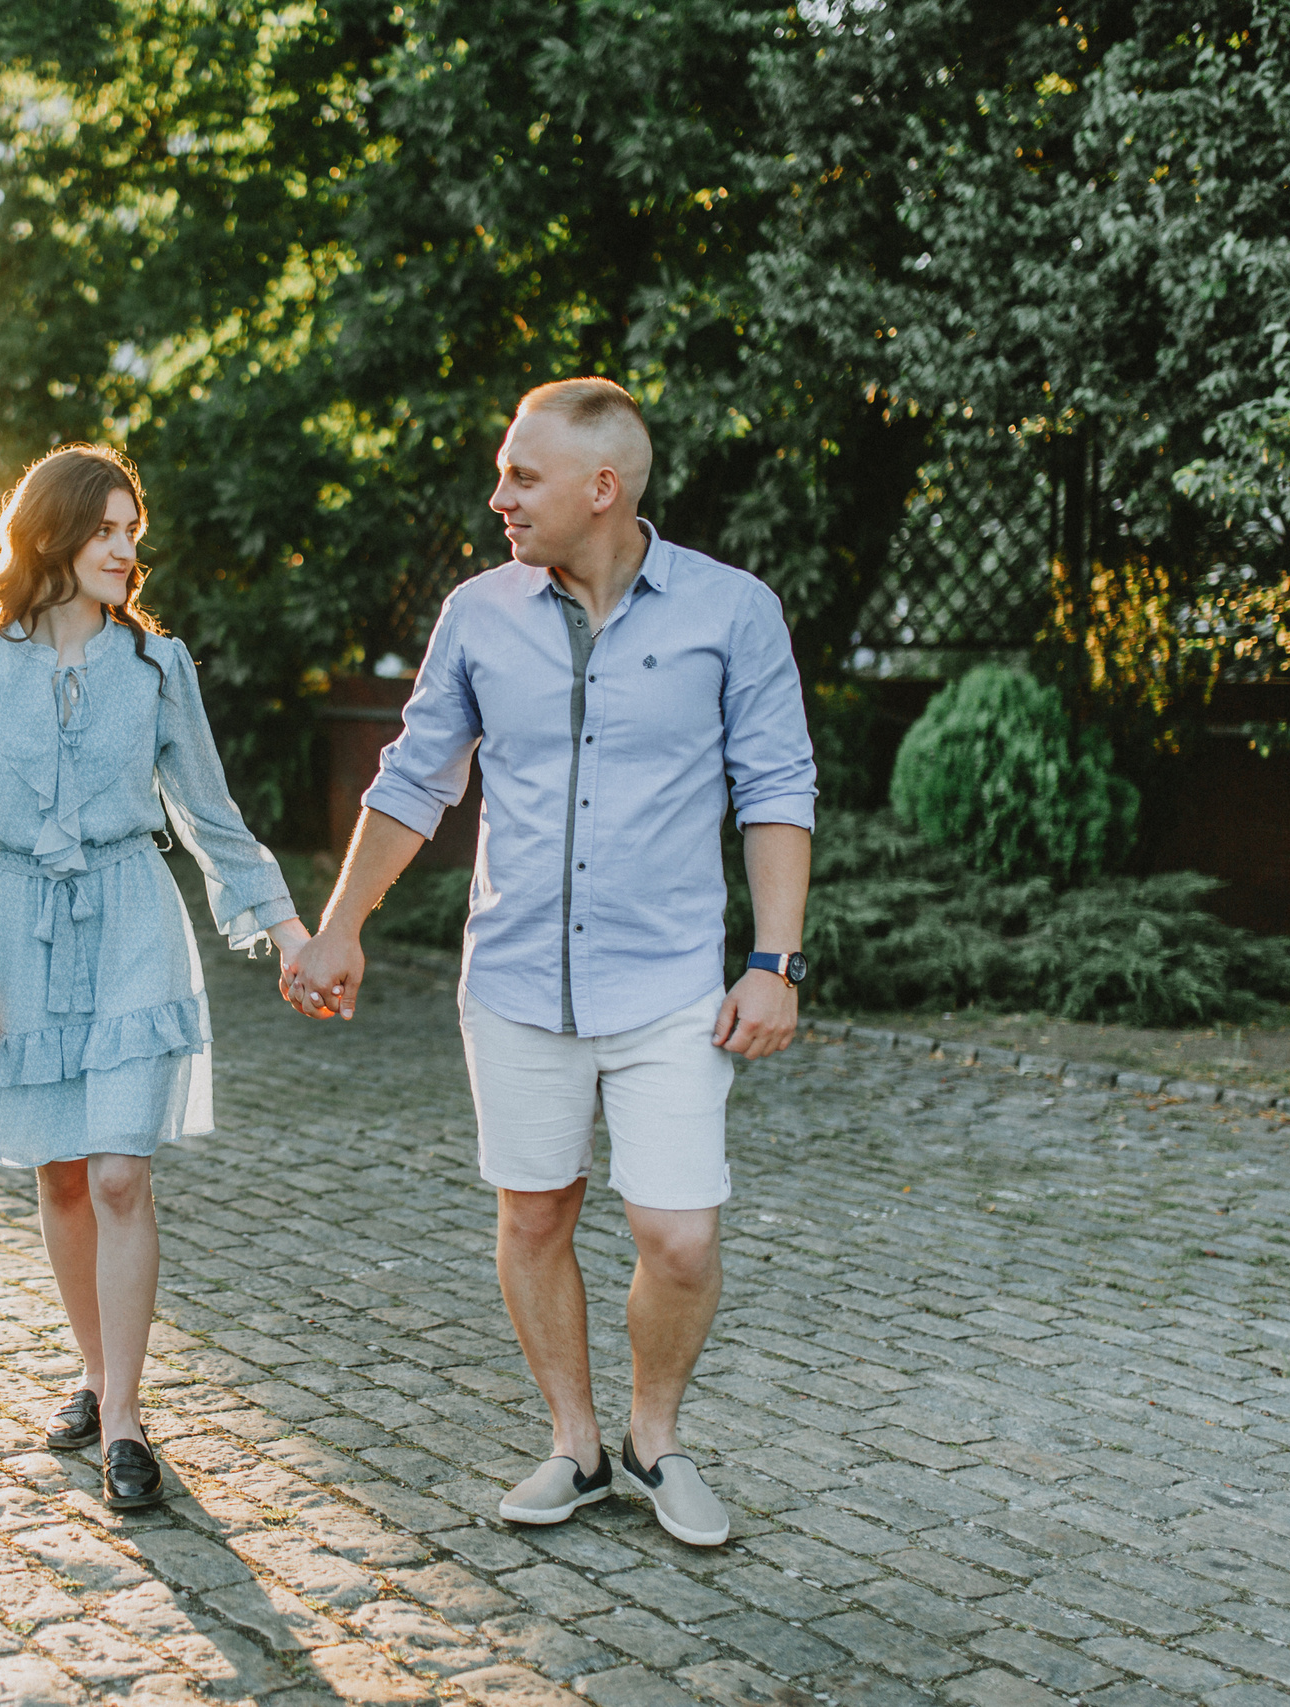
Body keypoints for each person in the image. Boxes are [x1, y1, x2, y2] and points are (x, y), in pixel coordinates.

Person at [282, 379, 815, 1547]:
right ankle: (576, 1446)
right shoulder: (476, 615)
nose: (500, 497)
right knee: (534, 1219)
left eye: (522, 476)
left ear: (601, 487)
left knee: (679, 1239)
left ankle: (654, 1440)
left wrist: (774, 962)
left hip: (671, 990)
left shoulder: (732, 612)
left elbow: (776, 789)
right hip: (517, 983)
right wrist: (341, 923)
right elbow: (415, 780)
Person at [0, 443, 310, 1510]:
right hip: (21, 929)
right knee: (59, 1176)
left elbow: (211, 814)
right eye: (105, 530)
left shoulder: (158, 666)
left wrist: (287, 932)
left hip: (133, 913)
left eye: (133, 532)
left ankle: (126, 1420)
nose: (127, 549)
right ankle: (95, 1376)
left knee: (120, 1174)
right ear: (51, 536)